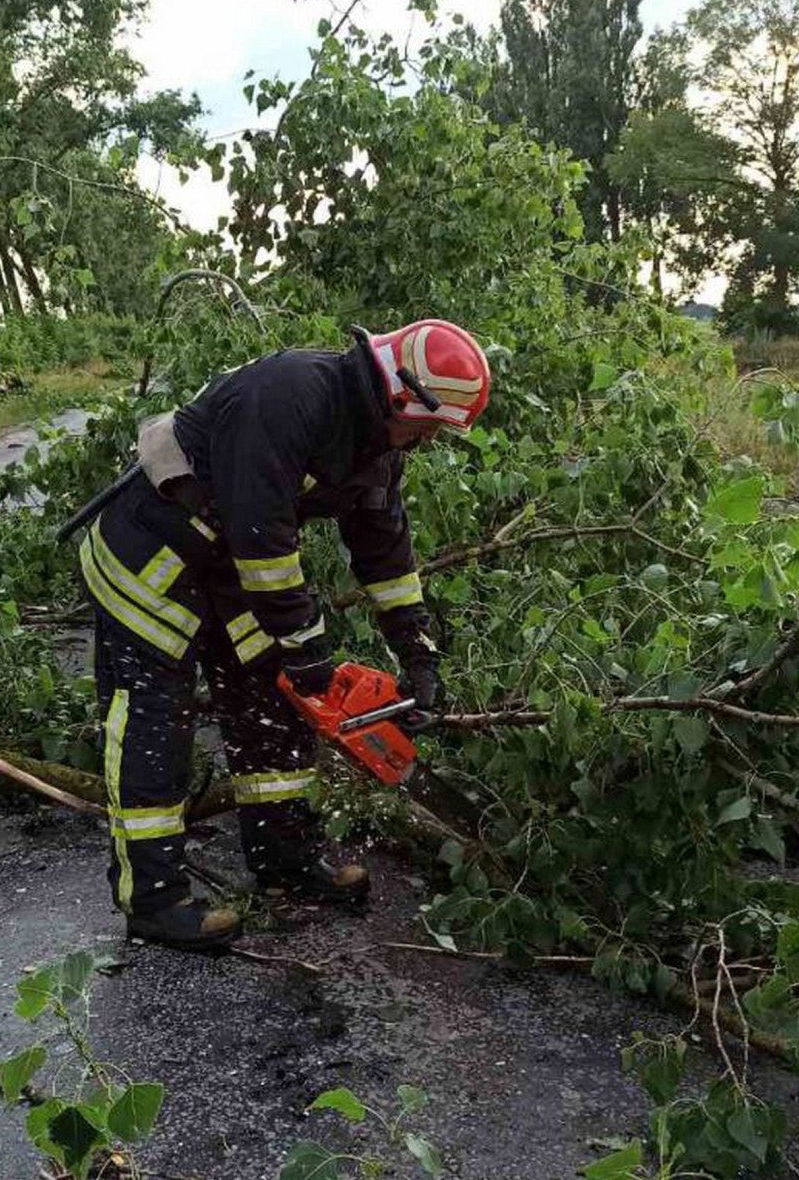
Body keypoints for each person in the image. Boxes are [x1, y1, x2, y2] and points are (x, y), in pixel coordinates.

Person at [76, 319, 492, 950]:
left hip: (224, 575)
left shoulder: (377, 444)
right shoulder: (290, 395)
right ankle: (153, 901)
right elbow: (261, 538)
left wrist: (417, 651)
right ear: (402, 394)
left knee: (273, 705)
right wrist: (307, 646)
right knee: (157, 725)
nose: (428, 441)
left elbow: (385, 551)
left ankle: (284, 862)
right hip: (151, 564)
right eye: (430, 427)